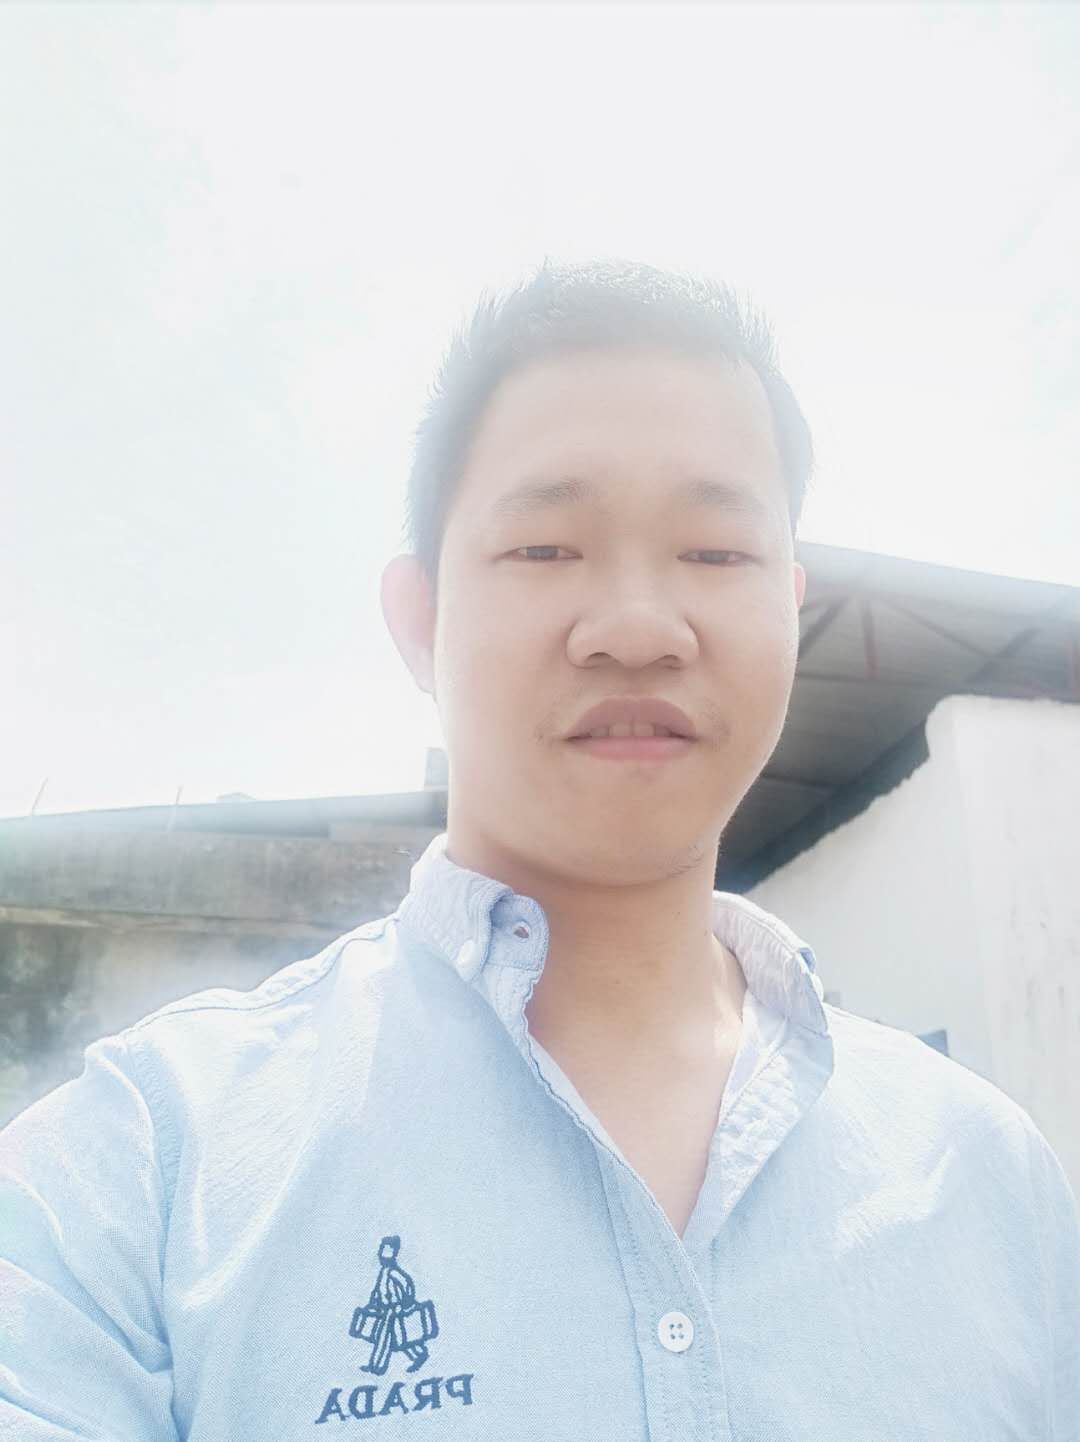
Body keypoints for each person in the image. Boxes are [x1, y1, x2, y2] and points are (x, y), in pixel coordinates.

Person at [2, 257, 1077, 1439]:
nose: (638, 627)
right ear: (420, 620)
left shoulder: (991, 1179)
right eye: (546, 549)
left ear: (789, 603)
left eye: (717, 553)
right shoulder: (144, 1173)